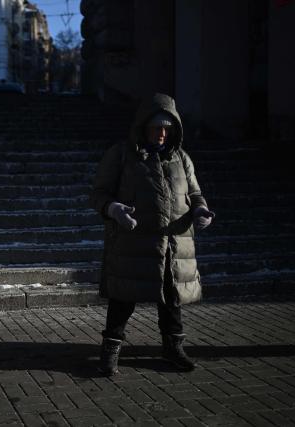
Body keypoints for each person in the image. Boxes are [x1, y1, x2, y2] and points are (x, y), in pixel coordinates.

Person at [90, 93, 215, 376]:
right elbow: (98, 194)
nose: (161, 134)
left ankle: (173, 348)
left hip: (173, 245)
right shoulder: (121, 154)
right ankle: (110, 350)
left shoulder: (181, 158)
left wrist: (200, 211)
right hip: (133, 243)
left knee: (171, 300)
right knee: (123, 300)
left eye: (167, 128)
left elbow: (195, 193)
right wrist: (113, 209)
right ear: (143, 126)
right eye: (156, 127)